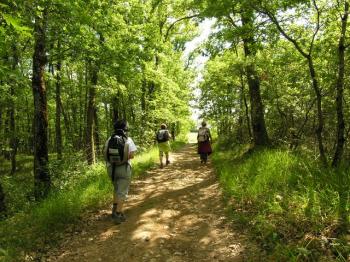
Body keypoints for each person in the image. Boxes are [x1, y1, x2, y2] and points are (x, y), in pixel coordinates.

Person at [104, 119, 137, 224]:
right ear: (125, 128)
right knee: (122, 192)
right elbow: (131, 155)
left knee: (116, 188)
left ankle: (114, 210)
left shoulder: (109, 139)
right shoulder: (128, 139)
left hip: (111, 168)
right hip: (124, 168)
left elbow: (105, 153)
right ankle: (117, 215)